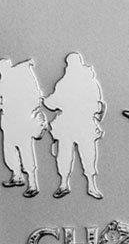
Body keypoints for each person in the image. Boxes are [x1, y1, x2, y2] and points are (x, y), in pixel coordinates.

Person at [44, 53, 105, 199]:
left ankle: (85, 185)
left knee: (82, 155)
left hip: (77, 125)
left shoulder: (68, 83)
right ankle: (68, 184)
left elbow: (54, 102)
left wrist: (46, 101)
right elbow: (54, 102)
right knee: (73, 155)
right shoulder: (86, 83)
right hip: (72, 125)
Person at [0, 58, 47, 197]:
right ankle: (18, 176)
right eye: (2, 67)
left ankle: (32, 183)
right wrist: (5, 106)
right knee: (12, 151)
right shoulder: (2, 85)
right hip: (10, 124)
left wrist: (6, 106)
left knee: (24, 151)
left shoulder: (13, 83)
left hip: (20, 124)